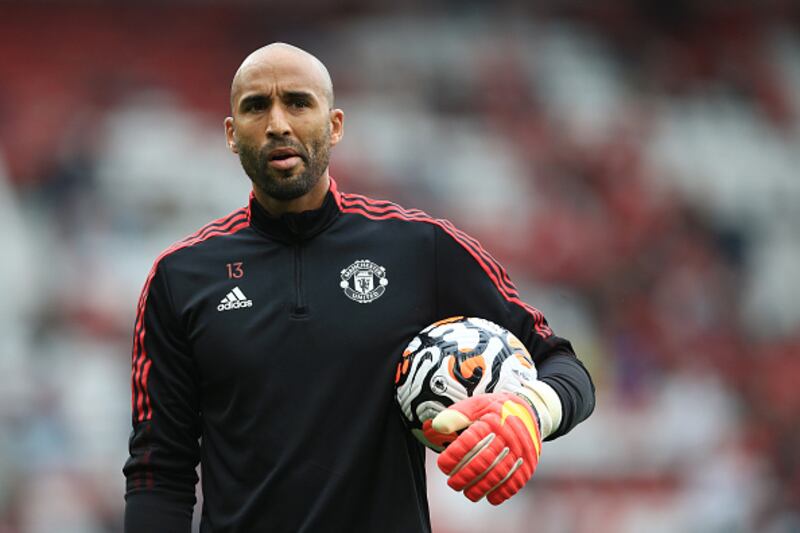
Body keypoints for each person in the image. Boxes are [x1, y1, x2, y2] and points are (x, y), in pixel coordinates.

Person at [123, 42, 595, 533]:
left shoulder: (420, 248)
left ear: (335, 125)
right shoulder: (181, 277)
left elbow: (563, 365)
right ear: (231, 134)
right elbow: (159, 469)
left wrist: (531, 410)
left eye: (299, 103)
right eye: (256, 106)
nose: (278, 124)